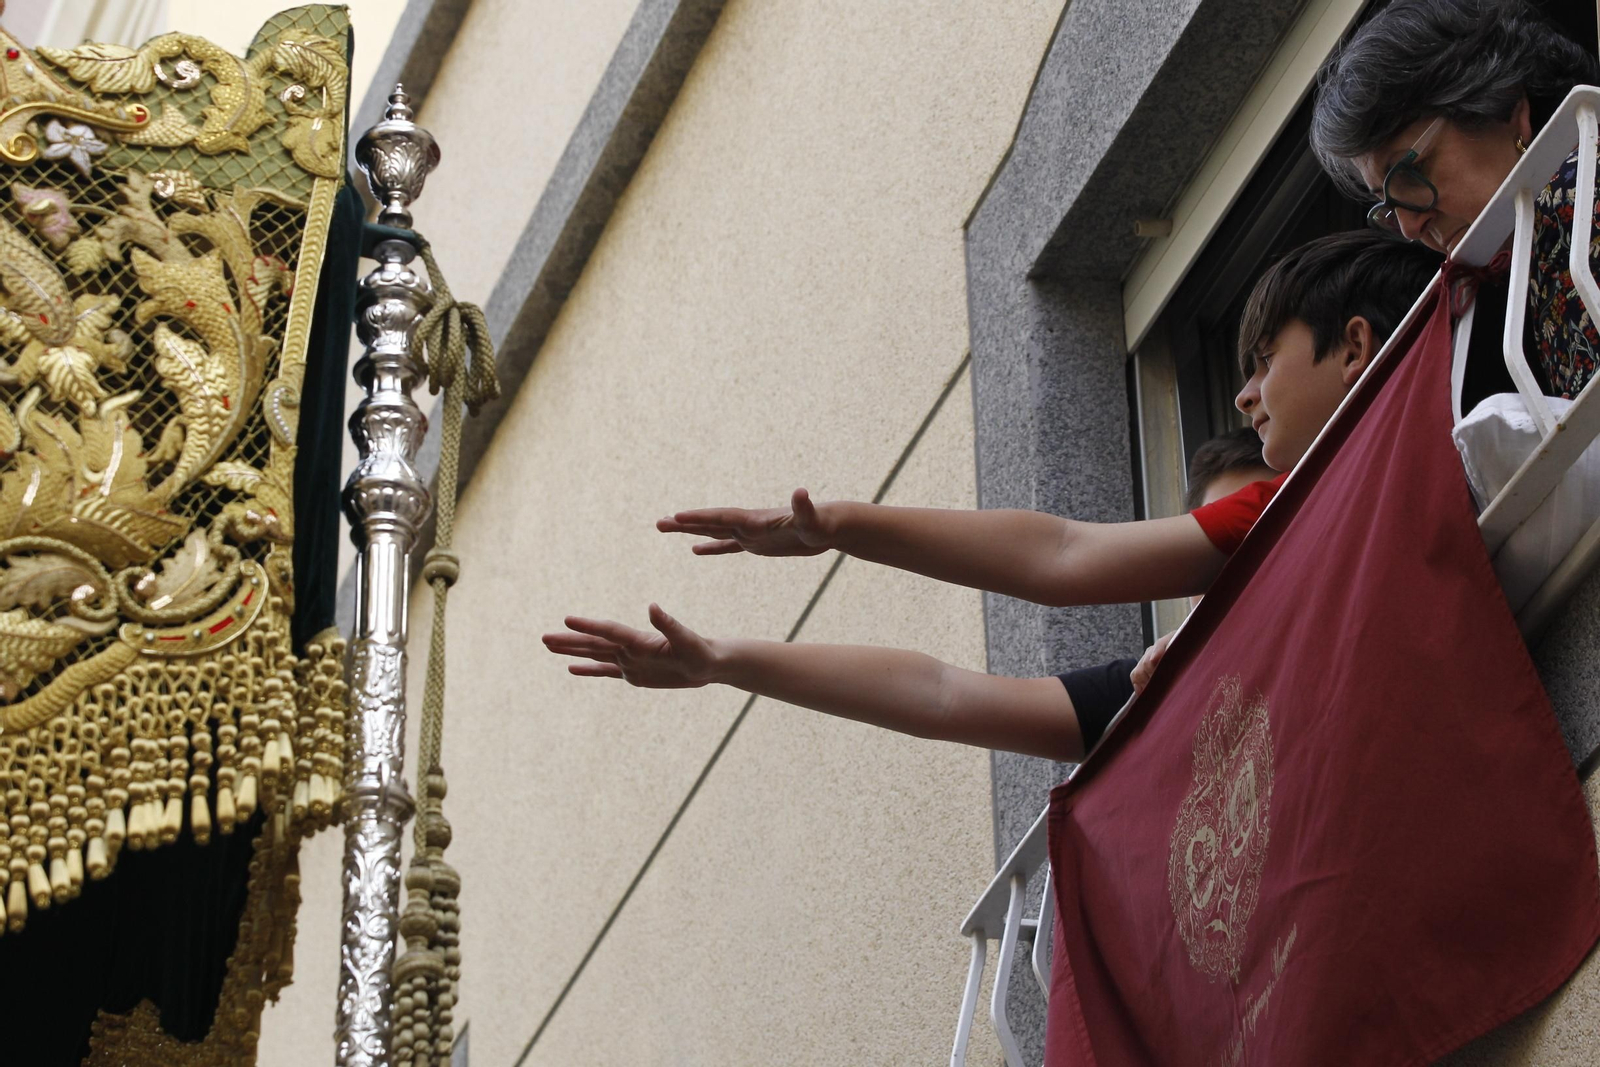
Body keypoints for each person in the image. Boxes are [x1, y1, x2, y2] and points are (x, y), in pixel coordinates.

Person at [544, 232, 1440, 759]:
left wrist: (842, 530)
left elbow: (1061, 559)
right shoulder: (1289, 515)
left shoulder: (1393, 461)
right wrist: (727, 657)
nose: (1244, 396)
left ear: (1355, 345)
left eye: (1262, 362)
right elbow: (951, 688)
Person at [1310, 0, 1600, 401]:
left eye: (1411, 171)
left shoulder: (1583, 190)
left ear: (1505, 106)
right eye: (1389, 204)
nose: (1411, 227)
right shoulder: (1511, 286)